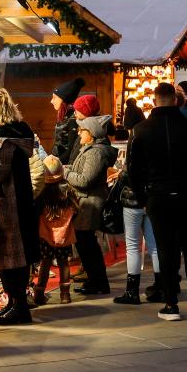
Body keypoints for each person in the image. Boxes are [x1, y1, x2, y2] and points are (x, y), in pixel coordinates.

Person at [127, 83, 187, 321]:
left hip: (157, 196)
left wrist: (143, 198)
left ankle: (170, 304)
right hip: (186, 195)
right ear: (175, 100)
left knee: (165, 249)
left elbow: (133, 169)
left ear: (155, 100)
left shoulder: (141, 130)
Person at [0, 89, 40, 325]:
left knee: (10, 258)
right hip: (20, 201)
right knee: (15, 259)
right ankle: (14, 304)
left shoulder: (3, 137)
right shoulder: (20, 131)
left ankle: (19, 306)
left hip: (8, 205)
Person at [64, 114, 118, 296]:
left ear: (92, 133)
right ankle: (94, 281)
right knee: (85, 243)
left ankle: (98, 282)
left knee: (88, 244)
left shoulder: (95, 153)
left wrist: (65, 173)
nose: (79, 133)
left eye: (82, 130)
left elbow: (85, 180)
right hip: (86, 201)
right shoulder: (91, 150)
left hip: (89, 202)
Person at [112, 156, 161, 304]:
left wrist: (120, 174)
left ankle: (132, 292)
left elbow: (131, 176)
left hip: (133, 201)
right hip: (151, 199)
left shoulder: (136, 147)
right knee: (154, 246)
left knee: (132, 246)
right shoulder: (157, 148)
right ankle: (161, 288)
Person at [31, 156, 75, 305]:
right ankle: (65, 295)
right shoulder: (68, 190)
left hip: (45, 235)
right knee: (64, 263)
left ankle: (39, 294)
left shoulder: (41, 192)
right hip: (65, 234)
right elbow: (76, 208)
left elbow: (36, 212)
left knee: (45, 263)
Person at [51, 78, 85, 163]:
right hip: (59, 162)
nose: (51, 101)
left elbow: (71, 150)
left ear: (64, 100)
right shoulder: (64, 116)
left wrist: (56, 163)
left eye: (54, 98)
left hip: (66, 165)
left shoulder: (73, 119)